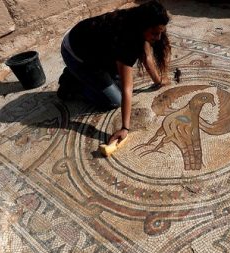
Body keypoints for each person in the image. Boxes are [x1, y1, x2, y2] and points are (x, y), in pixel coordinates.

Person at [58, 0, 171, 145]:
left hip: (94, 46)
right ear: (143, 27)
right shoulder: (126, 39)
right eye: (155, 33)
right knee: (114, 100)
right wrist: (125, 128)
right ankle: (72, 83)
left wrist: (158, 81)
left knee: (115, 82)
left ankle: (85, 75)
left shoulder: (139, 21)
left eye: (160, 33)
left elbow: (147, 55)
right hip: (74, 51)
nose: (158, 38)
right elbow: (127, 89)